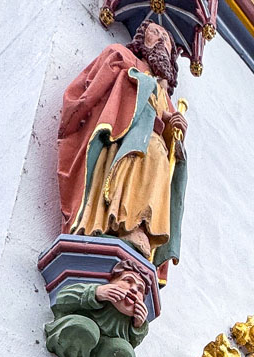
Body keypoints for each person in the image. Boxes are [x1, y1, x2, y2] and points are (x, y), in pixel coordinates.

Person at [57, 18, 189, 277]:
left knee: (159, 154)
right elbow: (97, 92)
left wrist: (175, 131)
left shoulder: (166, 94)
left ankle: (142, 230)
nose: (162, 41)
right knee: (147, 148)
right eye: (155, 34)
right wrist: (151, 94)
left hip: (154, 152)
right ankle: (116, 223)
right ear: (142, 40)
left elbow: (170, 135)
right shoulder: (123, 58)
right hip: (124, 142)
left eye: (167, 41)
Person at [44, 258, 151, 357]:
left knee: (123, 352)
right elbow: (62, 299)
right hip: (78, 335)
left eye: (140, 289)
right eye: (128, 281)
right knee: (83, 329)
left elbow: (133, 342)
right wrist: (96, 293)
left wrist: (138, 326)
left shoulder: (130, 322)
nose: (134, 290)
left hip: (105, 353)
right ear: (111, 281)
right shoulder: (95, 291)